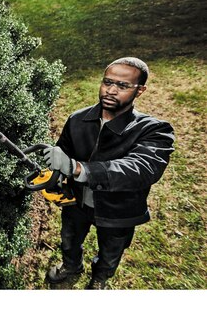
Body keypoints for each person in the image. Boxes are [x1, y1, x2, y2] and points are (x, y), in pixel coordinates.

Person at [43, 57, 175, 289]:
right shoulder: (77, 119)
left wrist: (80, 168)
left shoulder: (154, 130)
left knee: (111, 252)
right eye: (107, 82)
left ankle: (100, 279)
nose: (111, 90)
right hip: (76, 203)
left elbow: (141, 168)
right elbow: (63, 154)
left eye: (122, 85)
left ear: (140, 90)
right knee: (69, 240)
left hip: (119, 211)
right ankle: (71, 266)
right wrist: (55, 176)